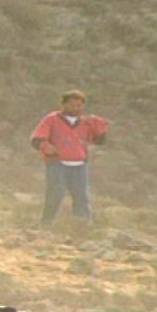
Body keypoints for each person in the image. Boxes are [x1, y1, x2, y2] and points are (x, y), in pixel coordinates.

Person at [30, 90, 107, 226]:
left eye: (79, 106)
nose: (75, 109)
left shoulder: (86, 122)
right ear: (63, 104)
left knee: (81, 196)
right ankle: (46, 223)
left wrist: (101, 129)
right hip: (57, 163)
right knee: (56, 193)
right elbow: (36, 139)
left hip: (79, 165)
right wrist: (46, 146)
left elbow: (99, 141)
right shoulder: (52, 119)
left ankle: (82, 226)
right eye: (72, 105)